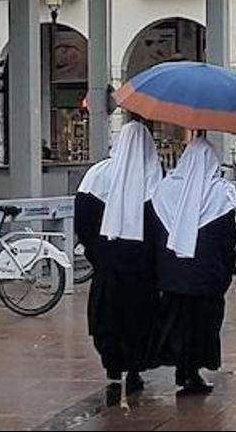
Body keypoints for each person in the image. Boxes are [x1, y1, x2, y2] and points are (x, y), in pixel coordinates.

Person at [74, 121, 164, 396]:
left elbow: (84, 221)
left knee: (107, 314)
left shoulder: (96, 175)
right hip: (141, 266)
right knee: (140, 317)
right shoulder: (154, 176)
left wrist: (97, 252)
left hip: (107, 262)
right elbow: (161, 224)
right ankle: (135, 367)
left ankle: (112, 365)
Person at [150, 137, 236, 396]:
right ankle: (193, 371)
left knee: (178, 322)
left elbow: (157, 234)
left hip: (173, 274)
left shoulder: (165, 189)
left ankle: (182, 368)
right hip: (206, 275)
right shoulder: (220, 193)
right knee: (203, 324)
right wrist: (227, 270)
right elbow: (227, 239)